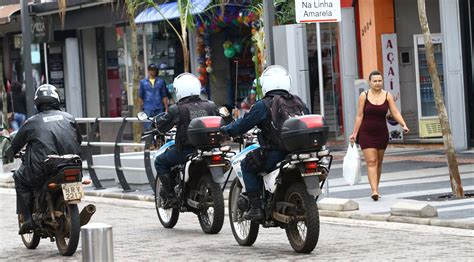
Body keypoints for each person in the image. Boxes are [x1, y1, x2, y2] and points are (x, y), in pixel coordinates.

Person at [221, 65, 308, 220]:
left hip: (275, 152)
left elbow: (242, 125)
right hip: (298, 151)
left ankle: (256, 208)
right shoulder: (297, 101)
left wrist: (227, 129)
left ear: (265, 84)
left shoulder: (263, 105)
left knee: (247, 164)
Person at [5, 84, 82, 234]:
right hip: (72, 164)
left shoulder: (32, 122)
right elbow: (78, 139)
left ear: (38, 103)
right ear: (57, 100)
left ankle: (27, 219)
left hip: (43, 170)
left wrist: (8, 153)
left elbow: (15, 146)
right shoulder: (69, 118)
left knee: (19, 177)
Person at [153, 73, 218, 208]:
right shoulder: (210, 105)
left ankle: (171, 197)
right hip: (210, 149)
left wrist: (156, 124)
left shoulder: (177, 109)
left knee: (160, 162)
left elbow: (162, 126)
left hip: (186, 151)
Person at [349, 71, 409, 201]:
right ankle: (374, 191)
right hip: (366, 133)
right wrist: (354, 133)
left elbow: (395, 112)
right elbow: (359, 116)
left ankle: (377, 187)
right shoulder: (363, 96)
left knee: (379, 163)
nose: (377, 83)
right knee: (371, 162)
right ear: (369, 82)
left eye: (379, 81)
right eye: (375, 81)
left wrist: (403, 124)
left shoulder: (387, 96)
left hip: (382, 133)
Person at [139, 63, 169, 129]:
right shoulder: (143, 82)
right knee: (148, 128)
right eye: (151, 70)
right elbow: (141, 97)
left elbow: (164, 96)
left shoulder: (161, 82)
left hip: (159, 107)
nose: (153, 71)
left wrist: (166, 108)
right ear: (148, 70)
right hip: (148, 108)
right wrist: (140, 109)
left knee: (160, 127)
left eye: (154, 70)